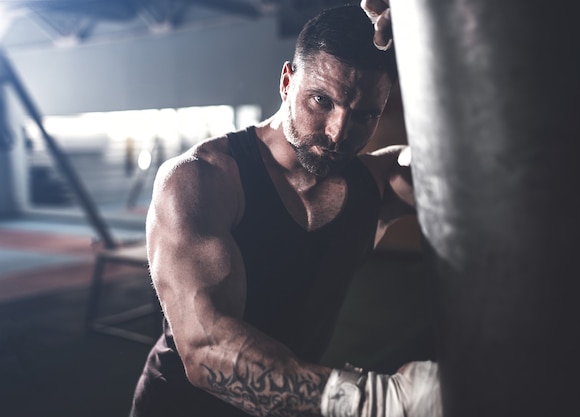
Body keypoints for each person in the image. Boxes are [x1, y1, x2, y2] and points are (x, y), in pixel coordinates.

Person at [131, 3, 440, 417]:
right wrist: (375, 402)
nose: (339, 132)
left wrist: (441, 29)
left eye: (366, 115)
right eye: (322, 100)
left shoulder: (379, 185)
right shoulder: (202, 179)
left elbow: (492, 168)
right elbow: (206, 351)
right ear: (286, 81)